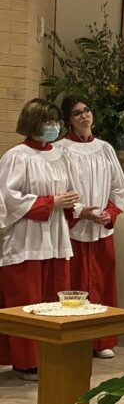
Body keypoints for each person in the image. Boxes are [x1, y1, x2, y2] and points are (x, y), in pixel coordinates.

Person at [0, 99, 78, 380]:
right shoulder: (17, 156)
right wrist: (50, 202)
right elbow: (8, 198)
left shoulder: (60, 156)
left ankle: (49, 356)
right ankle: (25, 360)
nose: (53, 127)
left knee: (51, 298)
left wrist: (70, 201)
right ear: (32, 122)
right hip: (26, 238)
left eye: (56, 122)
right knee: (26, 299)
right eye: (47, 122)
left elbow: (70, 188)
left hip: (55, 236)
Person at [55, 96, 124, 359]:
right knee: (72, 284)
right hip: (74, 228)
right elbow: (59, 188)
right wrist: (81, 211)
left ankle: (101, 340)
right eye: (77, 113)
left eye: (87, 110)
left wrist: (109, 213)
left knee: (102, 282)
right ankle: (74, 340)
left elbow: (119, 187)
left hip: (101, 228)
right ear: (68, 120)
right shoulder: (60, 150)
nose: (85, 115)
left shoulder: (105, 148)